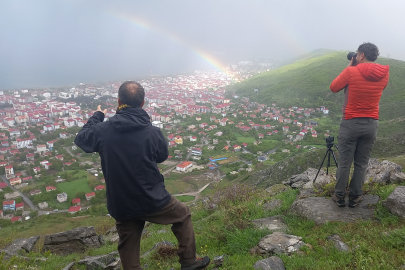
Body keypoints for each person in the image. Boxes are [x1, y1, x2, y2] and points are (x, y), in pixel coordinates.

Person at [74, 81, 210, 270]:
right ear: (143, 103)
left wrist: (98, 115)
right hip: (152, 197)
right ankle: (188, 262)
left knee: (128, 243)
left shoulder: (103, 131)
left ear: (119, 100)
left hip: (121, 201)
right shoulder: (152, 132)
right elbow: (162, 156)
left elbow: (81, 138)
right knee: (182, 215)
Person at [330, 42, 389, 208]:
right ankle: (355, 197)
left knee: (344, 163)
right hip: (371, 123)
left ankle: (339, 196)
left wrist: (350, 66)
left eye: (357, 54)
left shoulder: (351, 71)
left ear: (361, 55)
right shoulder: (384, 74)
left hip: (351, 123)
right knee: (361, 164)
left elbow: (334, 87)